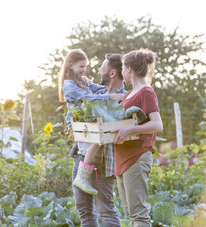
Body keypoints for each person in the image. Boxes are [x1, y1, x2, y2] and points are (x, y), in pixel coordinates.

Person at [70, 53, 126, 226]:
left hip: (103, 161)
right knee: (84, 210)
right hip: (82, 156)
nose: (99, 70)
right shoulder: (99, 93)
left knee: (106, 210)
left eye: (103, 67)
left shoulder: (124, 98)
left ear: (112, 73)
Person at [58, 49, 123, 196]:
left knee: (97, 140)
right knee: (95, 142)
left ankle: (88, 179)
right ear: (70, 65)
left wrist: (116, 91)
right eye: (81, 67)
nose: (84, 70)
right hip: (76, 121)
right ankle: (82, 178)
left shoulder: (83, 80)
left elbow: (99, 88)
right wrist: (109, 97)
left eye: (85, 67)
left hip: (86, 119)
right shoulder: (69, 85)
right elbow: (87, 97)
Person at [112, 48, 163, 227]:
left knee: (138, 215)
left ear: (129, 69)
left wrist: (129, 131)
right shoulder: (129, 93)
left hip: (137, 157)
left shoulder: (146, 92)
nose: (121, 72)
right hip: (123, 158)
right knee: (130, 213)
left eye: (123, 68)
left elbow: (157, 124)